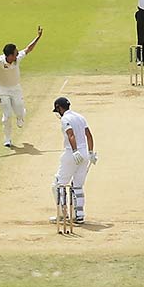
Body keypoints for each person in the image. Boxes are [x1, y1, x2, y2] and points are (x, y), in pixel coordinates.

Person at [53, 95, 97, 226]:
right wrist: (90, 153)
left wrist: (74, 151)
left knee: (58, 184)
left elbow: (70, 134)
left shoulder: (65, 118)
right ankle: (79, 215)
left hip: (71, 153)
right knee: (77, 185)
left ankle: (63, 214)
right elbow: (88, 135)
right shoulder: (80, 117)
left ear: (59, 108)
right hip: (84, 154)